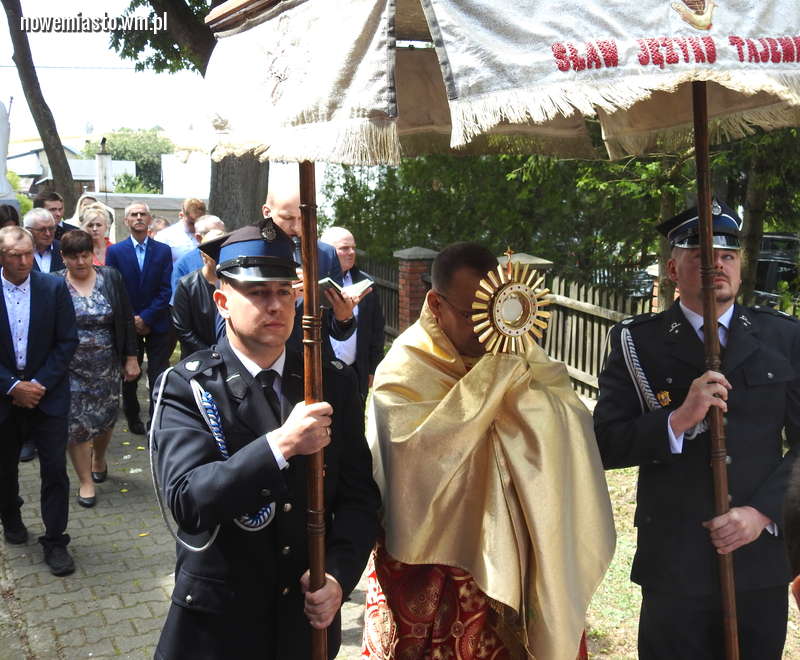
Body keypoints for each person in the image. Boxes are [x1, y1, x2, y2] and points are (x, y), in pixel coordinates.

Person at [364, 242, 615, 659]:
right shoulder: (405, 367)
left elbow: (570, 429)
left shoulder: (518, 355)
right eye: (471, 315)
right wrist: (492, 386)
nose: (486, 330)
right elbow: (411, 461)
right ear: (436, 303)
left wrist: (519, 398)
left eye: (492, 312)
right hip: (435, 570)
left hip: (522, 559)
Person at [151, 219, 380, 659]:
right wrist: (281, 445)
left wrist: (337, 575)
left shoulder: (329, 383)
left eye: (284, 291)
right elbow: (189, 501)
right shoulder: (189, 386)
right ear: (222, 301)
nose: (275, 305)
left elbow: (359, 497)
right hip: (219, 626)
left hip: (303, 623)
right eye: (257, 293)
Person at [594, 201, 800, 659]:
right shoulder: (638, 342)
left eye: (727, 256)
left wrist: (761, 514)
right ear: (673, 269)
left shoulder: (783, 338)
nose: (717, 266)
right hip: (675, 562)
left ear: (740, 267)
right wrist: (678, 420)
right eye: (701, 257)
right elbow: (605, 444)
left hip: (758, 561)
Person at [0, 226, 77, 576]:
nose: (23, 261)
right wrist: (12, 386)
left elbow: (67, 341)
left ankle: (55, 539)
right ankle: (11, 517)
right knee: (4, 468)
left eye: (28, 254)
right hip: (4, 397)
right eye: (15, 255)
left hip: (48, 395)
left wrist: (38, 384)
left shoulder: (53, 287)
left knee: (55, 470)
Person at [55, 230, 140, 508]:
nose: (80, 262)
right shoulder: (54, 283)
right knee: (76, 425)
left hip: (107, 365)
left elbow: (126, 318)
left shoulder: (110, 278)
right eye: (73, 257)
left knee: (105, 418)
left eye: (85, 255)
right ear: (63, 257)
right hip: (70, 368)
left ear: (93, 254)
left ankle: (99, 458)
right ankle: (85, 482)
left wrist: (131, 357)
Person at [106, 202, 173, 435]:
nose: (138, 217)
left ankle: (156, 419)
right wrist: (132, 319)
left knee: (158, 374)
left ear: (150, 219)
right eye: (133, 214)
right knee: (130, 374)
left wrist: (146, 317)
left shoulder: (163, 251)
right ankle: (133, 416)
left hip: (158, 321)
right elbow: (114, 288)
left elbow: (166, 289)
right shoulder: (115, 252)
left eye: (142, 214)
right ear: (126, 221)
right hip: (127, 323)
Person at [320, 226, 384, 401]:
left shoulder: (366, 283)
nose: (351, 252)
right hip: (320, 372)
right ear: (327, 251)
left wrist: (373, 367)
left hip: (355, 370)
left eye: (353, 248)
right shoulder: (312, 282)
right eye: (344, 248)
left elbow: (376, 328)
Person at [171, 229, 225, 359]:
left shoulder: (233, 282)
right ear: (203, 256)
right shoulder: (187, 285)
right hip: (198, 358)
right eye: (215, 254)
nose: (221, 258)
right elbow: (182, 329)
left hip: (231, 355)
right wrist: (212, 354)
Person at [170, 214, 226, 296]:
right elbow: (179, 299)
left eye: (223, 234)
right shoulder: (183, 265)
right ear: (199, 238)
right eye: (216, 235)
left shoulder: (232, 256)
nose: (223, 239)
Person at [156, 198, 207, 265]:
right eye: (191, 223)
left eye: (198, 222)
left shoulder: (208, 235)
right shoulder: (164, 236)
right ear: (181, 215)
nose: (195, 226)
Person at [24, 208, 64, 274]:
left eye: (51, 229)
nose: (48, 233)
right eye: (42, 230)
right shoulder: (19, 252)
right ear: (28, 230)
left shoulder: (64, 249)